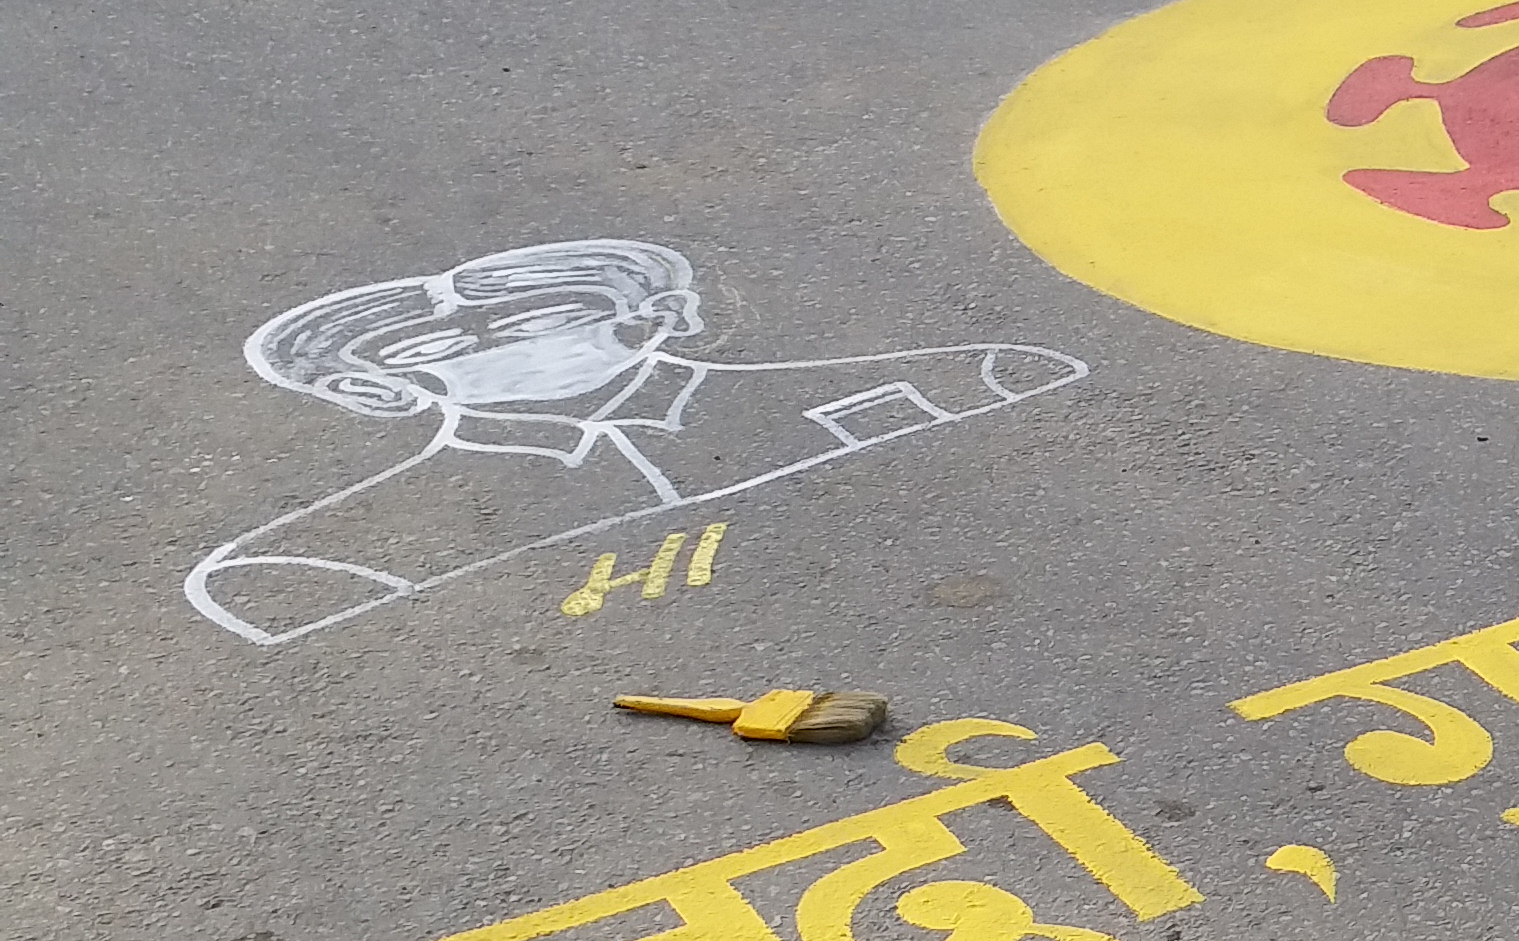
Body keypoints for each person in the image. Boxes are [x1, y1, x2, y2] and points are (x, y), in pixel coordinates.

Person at [188, 237, 1082, 642]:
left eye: (550, 314)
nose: (500, 346)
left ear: (662, 313)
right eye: (434, 346)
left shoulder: (961, 382)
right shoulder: (311, 567)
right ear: (370, 386)